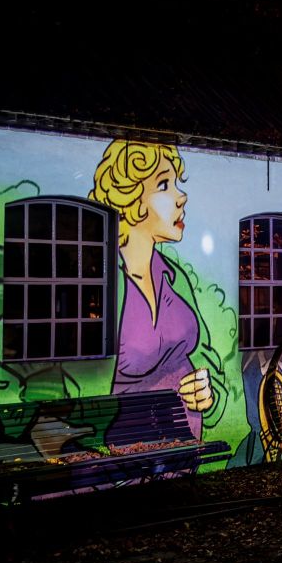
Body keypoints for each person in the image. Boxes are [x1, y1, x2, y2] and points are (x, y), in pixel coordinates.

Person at [90, 139, 219, 440]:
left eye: (177, 184)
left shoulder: (174, 279)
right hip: (124, 463)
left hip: (183, 455)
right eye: (164, 185)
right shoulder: (102, 283)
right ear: (130, 199)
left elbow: (208, 360)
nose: (181, 197)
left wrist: (207, 392)